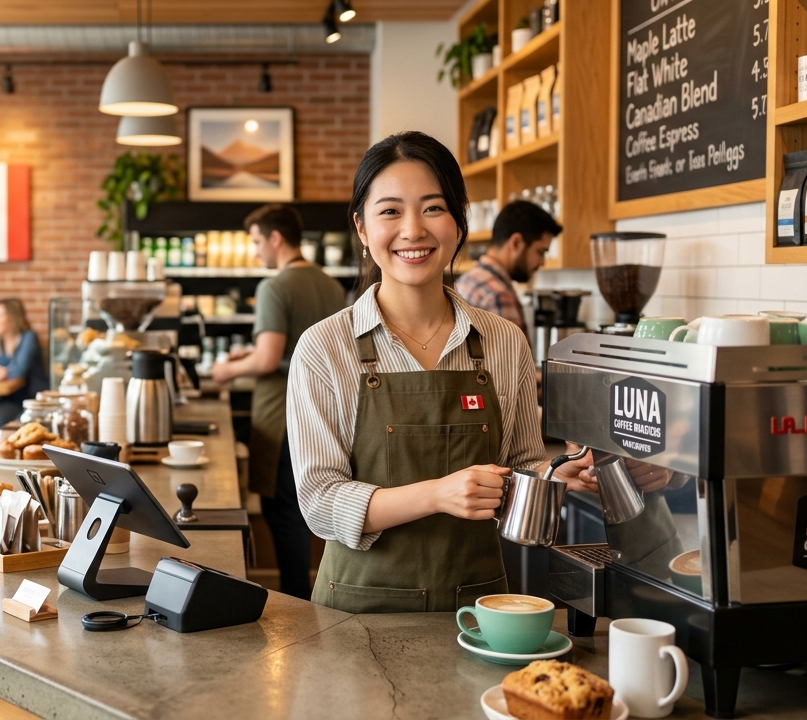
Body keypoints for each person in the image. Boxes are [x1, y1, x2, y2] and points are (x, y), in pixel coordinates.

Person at [286, 132, 594, 615]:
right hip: (354, 615)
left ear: (459, 222)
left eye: (433, 208)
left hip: (478, 611)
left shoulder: (503, 341)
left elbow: (518, 465)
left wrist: (552, 474)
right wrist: (436, 494)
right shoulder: (324, 347)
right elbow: (320, 502)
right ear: (362, 228)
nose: (413, 230)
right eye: (390, 211)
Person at [210, 204, 346, 599]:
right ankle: (317, 589)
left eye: (256, 242)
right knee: (312, 504)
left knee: (283, 510)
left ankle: (295, 599)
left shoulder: (274, 287)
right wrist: (248, 355)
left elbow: (268, 359)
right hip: (324, 414)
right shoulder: (330, 285)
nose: (255, 252)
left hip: (282, 416)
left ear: (275, 238)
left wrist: (226, 370)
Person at [454, 200, 562, 338]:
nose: (542, 262)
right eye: (540, 252)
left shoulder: (465, 281)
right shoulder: (498, 296)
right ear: (516, 243)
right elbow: (513, 352)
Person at [0, 298, 47, 450]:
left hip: (33, 401)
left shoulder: (28, 337)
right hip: (10, 400)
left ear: (12, 318)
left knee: (16, 429)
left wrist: (4, 371)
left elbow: (19, 371)